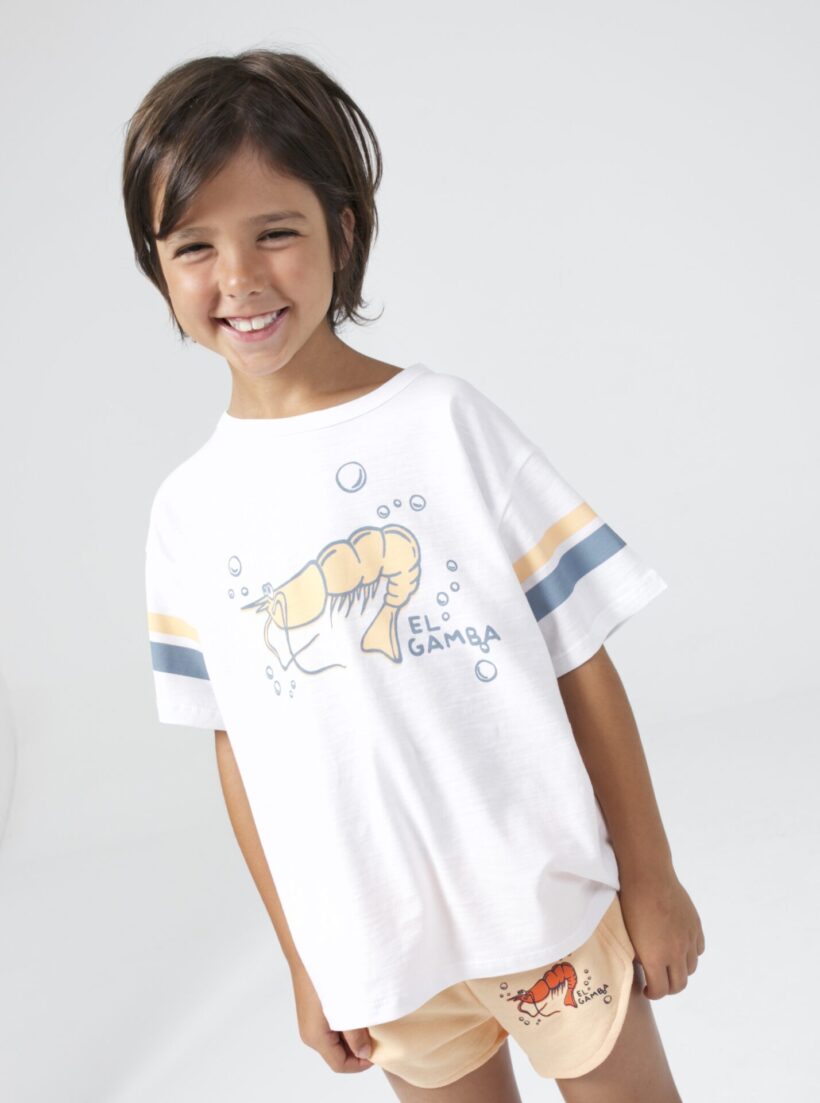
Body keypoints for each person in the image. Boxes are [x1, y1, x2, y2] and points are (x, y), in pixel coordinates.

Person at [123, 48, 703, 1102]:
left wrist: (651, 879)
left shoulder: (444, 424)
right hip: (381, 955)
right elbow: (237, 748)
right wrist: (305, 960)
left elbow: (579, 656)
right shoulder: (186, 513)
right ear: (158, 266)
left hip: (549, 909)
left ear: (342, 232)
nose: (239, 277)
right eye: (195, 245)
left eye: (276, 232)